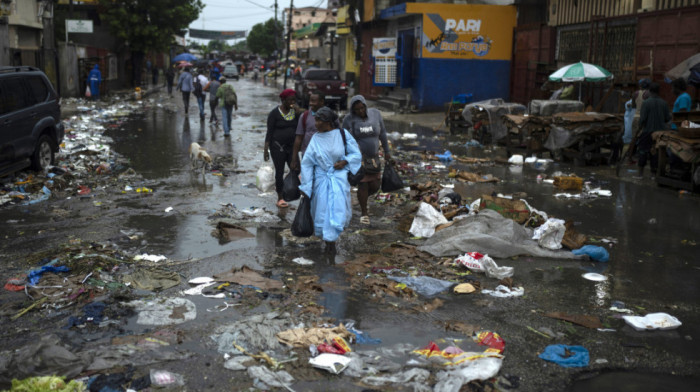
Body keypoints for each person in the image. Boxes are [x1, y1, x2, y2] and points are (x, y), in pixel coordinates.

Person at [299, 107, 362, 250]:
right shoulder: (315, 138)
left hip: (338, 180)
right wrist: (306, 186)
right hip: (321, 182)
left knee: (337, 210)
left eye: (318, 120)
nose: (315, 123)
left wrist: (345, 162)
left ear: (327, 122)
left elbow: (356, 154)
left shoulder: (342, 134)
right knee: (322, 212)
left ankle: (331, 241)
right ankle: (328, 241)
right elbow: (307, 163)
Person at [342, 95, 391, 225]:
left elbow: (383, 133)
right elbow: (344, 138)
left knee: (375, 185)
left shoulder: (375, 114)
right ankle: (364, 213)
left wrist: (387, 152)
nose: (360, 111)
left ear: (365, 105)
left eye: (362, 108)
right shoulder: (349, 119)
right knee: (363, 184)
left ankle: (361, 198)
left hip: (374, 158)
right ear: (353, 110)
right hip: (359, 159)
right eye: (357, 109)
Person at [265, 89, 300, 208]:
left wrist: (298, 112)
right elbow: (269, 132)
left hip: (291, 147)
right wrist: (266, 150)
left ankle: (286, 187)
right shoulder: (274, 113)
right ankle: (280, 197)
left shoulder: (295, 112)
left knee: (296, 169)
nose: (292, 102)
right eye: (290, 100)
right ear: (283, 100)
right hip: (277, 147)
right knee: (279, 172)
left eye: (294, 100)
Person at [636, 82, 671, 178]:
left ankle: (640, 174)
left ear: (650, 91)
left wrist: (639, 128)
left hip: (647, 131)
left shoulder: (646, 103)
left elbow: (642, 119)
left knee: (643, 151)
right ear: (658, 92)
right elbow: (667, 118)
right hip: (660, 133)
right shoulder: (664, 103)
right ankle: (653, 174)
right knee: (655, 153)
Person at [291, 91, 327, 171]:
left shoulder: (331, 117)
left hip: (325, 157)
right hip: (307, 156)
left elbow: (337, 136)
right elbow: (299, 137)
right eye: (310, 101)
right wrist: (294, 158)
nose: (311, 103)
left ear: (321, 102)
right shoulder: (304, 116)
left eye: (313, 101)